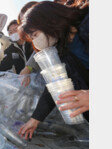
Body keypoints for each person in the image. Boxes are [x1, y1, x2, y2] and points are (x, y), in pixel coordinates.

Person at [17, 1, 89, 140]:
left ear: (50, 22)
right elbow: (55, 86)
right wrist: (35, 119)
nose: (35, 43)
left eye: (35, 35)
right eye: (32, 39)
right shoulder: (63, 51)